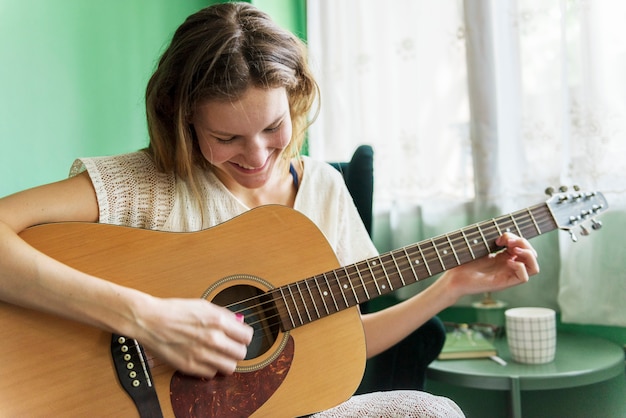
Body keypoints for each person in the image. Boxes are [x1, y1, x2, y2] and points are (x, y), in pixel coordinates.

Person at [0, 3, 539, 417]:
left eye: (272, 128)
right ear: (183, 120)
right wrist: (147, 317)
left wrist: (452, 286)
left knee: (433, 411)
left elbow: (342, 342)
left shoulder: (323, 187)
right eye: (226, 136)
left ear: (296, 96)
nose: (257, 156)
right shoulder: (144, 183)